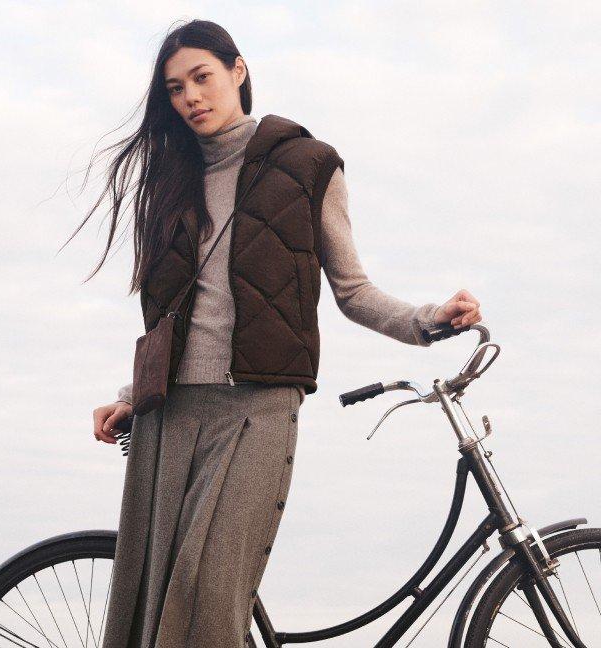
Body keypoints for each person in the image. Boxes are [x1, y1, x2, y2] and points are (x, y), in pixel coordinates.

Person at [69, 19, 482, 648]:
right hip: (170, 411)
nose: (191, 99)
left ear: (238, 71)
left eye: (202, 78)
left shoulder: (307, 166)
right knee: (153, 597)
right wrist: (132, 392)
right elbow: (177, 315)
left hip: (257, 405)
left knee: (210, 592)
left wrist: (429, 318)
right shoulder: (170, 179)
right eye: (176, 89)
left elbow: (353, 292)